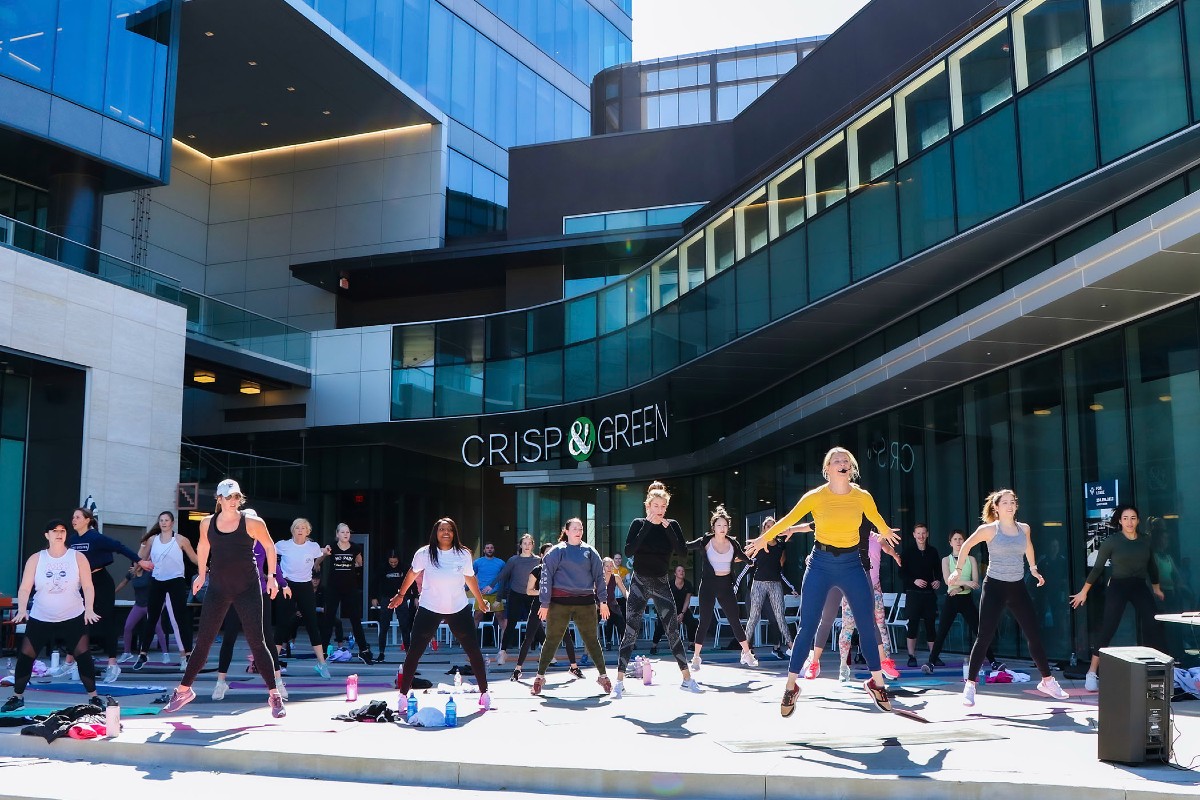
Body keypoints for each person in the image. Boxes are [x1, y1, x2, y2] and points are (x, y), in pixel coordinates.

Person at [745, 447, 901, 716]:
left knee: (866, 624)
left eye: (846, 460)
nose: (842, 463)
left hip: (852, 564)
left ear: (851, 468)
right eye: (836, 460)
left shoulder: (862, 497)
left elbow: (876, 518)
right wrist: (762, 539)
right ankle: (791, 686)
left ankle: (877, 683)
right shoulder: (815, 497)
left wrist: (886, 530)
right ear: (827, 469)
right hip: (820, 564)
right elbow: (788, 520)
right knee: (807, 626)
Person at [162, 480, 285, 717]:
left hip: (247, 588)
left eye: (236, 497)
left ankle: (274, 695)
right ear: (219, 499)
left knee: (257, 642)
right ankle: (184, 691)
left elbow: (270, 547)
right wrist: (201, 574)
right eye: (228, 497)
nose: (233, 501)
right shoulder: (207, 522)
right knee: (204, 642)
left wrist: (271, 577)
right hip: (218, 588)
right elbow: (203, 546)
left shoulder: (252, 522)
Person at [951, 489, 1070, 707]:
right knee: (984, 636)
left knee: (1033, 635)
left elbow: (1028, 546)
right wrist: (958, 571)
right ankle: (970, 685)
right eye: (1005, 502)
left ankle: (1047, 681)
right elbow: (966, 545)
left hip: (1017, 588)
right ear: (996, 507)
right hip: (994, 588)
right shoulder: (989, 529)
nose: (1010, 505)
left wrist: (1033, 569)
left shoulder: (1024, 528)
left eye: (1012, 502)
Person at [388, 518, 492, 711]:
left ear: (454, 533)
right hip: (429, 607)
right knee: (414, 651)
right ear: (435, 533)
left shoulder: (463, 554)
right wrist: (401, 595)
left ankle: (484, 694)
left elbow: (470, 578)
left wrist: (479, 600)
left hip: (458, 607)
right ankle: (402, 696)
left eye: (449, 529)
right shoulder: (424, 553)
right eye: (442, 529)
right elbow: (412, 573)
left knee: (473, 650)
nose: (446, 532)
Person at [2, 520, 105, 713]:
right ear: (47, 535)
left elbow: (88, 585)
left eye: (62, 531)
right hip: (41, 616)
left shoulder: (78, 557)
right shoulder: (36, 559)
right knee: (26, 656)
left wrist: (89, 609)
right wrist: (22, 609)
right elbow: (25, 588)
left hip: (73, 615)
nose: (59, 534)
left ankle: (94, 697)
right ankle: (17, 697)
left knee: (83, 656)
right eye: (55, 531)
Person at [1069, 503, 1166, 692]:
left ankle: (1157, 669)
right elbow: (1097, 568)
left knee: (1153, 622)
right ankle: (1091, 672)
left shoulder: (1145, 540)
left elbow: (1151, 566)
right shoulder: (1112, 541)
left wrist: (1156, 588)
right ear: (1120, 521)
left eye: (1133, 518)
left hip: (1139, 585)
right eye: (1125, 518)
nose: (1129, 522)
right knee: (1109, 627)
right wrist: (1084, 591)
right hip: (1118, 586)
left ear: (1138, 521)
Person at [615, 481, 699, 698]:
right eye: (656, 506)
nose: (660, 510)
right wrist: (647, 527)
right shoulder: (638, 523)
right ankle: (619, 682)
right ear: (648, 506)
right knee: (630, 630)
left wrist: (668, 529)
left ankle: (687, 679)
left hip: (661, 582)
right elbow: (629, 550)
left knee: (672, 630)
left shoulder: (672, 525)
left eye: (663, 506)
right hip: (639, 581)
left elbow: (682, 553)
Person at [63, 506, 154, 684]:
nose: (74, 520)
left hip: (101, 582)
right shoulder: (72, 540)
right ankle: (70, 661)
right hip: (82, 583)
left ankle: (112, 664)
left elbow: (119, 547)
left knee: (106, 622)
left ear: (87, 520)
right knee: (76, 620)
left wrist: (140, 561)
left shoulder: (96, 537)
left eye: (78, 517)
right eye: (73, 517)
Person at [805, 526, 901, 682]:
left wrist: (896, 555)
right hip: (845, 583)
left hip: (870, 585)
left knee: (876, 624)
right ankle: (832, 664)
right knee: (840, 624)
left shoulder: (876, 538)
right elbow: (816, 532)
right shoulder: (846, 536)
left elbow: (888, 548)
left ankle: (884, 661)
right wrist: (791, 531)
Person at [212, 510, 289, 701]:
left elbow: (274, 565)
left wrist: (282, 583)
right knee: (229, 636)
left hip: (258, 593)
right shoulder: (232, 542)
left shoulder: (262, 543)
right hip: (234, 594)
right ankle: (220, 682)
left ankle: (278, 682)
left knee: (266, 638)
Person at [531, 519, 612, 695]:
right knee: (552, 639)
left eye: (580, 528)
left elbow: (599, 577)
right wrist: (544, 603)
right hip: (559, 602)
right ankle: (539, 677)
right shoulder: (557, 551)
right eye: (574, 528)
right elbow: (546, 576)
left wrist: (603, 601)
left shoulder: (590, 551)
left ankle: (603, 676)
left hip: (586, 602)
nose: (578, 531)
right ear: (566, 531)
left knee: (592, 640)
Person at [688, 505, 758, 672]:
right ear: (713, 527)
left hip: (725, 585)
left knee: (734, 620)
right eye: (719, 525)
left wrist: (750, 561)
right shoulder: (706, 541)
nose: (722, 528)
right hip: (708, 585)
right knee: (704, 621)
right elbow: (687, 546)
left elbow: (741, 555)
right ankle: (696, 657)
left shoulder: (732, 543)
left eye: (725, 525)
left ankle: (747, 653)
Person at [134, 510, 198, 671]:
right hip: (157, 581)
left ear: (172, 523)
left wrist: (207, 567)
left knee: (180, 619)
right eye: (161, 520)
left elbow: (194, 558)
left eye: (166, 520)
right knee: (152, 618)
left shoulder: (180, 539)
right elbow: (140, 559)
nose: (163, 522)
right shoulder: (152, 540)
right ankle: (143, 653)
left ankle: (188, 654)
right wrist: (143, 545)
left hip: (176, 581)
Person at [926, 529, 996, 674]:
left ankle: (993, 661)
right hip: (951, 599)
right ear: (950, 542)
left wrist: (960, 587)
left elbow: (975, 582)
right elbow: (948, 581)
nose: (958, 542)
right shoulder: (946, 560)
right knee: (942, 632)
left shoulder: (971, 559)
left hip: (966, 599)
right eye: (955, 539)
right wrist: (965, 582)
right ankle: (931, 662)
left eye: (960, 539)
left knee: (979, 631)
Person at [510, 542, 581, 681]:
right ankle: (517, 669)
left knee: (566, 636)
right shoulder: (537, 570)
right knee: (529, 636)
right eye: (547, 553)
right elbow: (529, 591)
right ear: (542, 555)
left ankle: (574, 667)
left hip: (556, 605)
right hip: (539, 604)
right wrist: (544, 592)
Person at [274, 517, 332, 678]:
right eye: (297, 527)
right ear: (292, 530)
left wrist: (326, 551)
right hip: (287, 586)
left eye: (303, 528)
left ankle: (322, 664)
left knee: (312, 624)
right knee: (282, 624)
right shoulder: (283, 545)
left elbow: (321, 552)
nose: (300, 530)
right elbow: (268, 551)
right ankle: (273, 663)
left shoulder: (312, 546)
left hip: (305, 586)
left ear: (308, 531)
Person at [740, 516, 801, 661]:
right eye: (767, 526)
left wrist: (790, 588)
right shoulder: (759, 543)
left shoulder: (780, 546)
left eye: (773, 526)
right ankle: (745, 651)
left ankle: (791, 647)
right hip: (758, 583)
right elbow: (744, 559)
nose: (770, 528)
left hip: (775, 583)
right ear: (764, 528)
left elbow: (779, 569)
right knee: (753, 617)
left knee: (780, 616)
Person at [323, 523, 373, 664]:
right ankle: (323, 650)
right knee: (329, 618)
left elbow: (360, 562)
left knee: (355, 619)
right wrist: (316, 564)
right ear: (337, 534)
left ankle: (363, 650)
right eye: (343, 532)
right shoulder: (332, 546)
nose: (345, 534)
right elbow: (321, 557)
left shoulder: (355, 547)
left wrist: (355, 564)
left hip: (350, 588)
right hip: (333, 587)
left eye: (347, 532)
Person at [900, 523, 940, 667]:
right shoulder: (908, 552)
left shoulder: (933, 551)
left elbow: (938, 570)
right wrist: (914, 580)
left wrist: (938, 581)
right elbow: (901, 573)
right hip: (913, 594)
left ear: (927, 534)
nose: (921, 536)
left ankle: (933, 656)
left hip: (929, 594)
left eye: (923, 533)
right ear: (914, 535)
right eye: (918, 533)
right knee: (913, 625)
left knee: (930, 625)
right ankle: (911, 656)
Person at [494, 534, 539, 665]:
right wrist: (498, 597)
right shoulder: (514, 560)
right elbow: (503, 577)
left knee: (536, 623)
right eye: (524, 543)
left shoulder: (538, 560)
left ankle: (548, 652)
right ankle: (502, 652)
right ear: (520, 545)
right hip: (515, 594)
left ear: (533, 545)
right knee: (511, 623)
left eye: (529, 543)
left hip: (531, 595)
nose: (527, 546)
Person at [115, 564, 168, 665]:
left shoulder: (149, 573)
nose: (138, 564)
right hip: (138, 605)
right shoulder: (131, 573)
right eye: (136, 562)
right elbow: (123, 583)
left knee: (157, 627)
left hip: (151, 605)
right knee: (127, 627)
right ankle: (127, 652)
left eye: (139, 562)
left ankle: (165, 654)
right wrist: (113, 592)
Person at [370, 551, 406, 663]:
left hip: (400, 597)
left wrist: (414, 596)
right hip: (386, 597)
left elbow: (411, 581)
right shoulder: (383, 568)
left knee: (405, 626)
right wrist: (374, 597)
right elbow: (374, 582)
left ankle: (409, 654)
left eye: (395, 562)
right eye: (391, 562)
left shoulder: (403, 567)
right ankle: (381, 653)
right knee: (384, 626)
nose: (393, 564)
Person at [651, 564, 689, 653]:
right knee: (661, 625)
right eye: (679, 571)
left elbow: (687, 600)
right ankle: (654, 646)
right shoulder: (667, 585)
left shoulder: (687, 584)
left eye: (683, 571)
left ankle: (683, 645)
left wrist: (682, 613)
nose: (681, 572)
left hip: (679, 609)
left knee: (689, 622)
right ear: (675, 573)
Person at [474, 542, 507, 638]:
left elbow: (505, 577)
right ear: (484, 550)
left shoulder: (500, 563)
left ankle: (503, 643)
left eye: (491, 548)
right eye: (487, 548)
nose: (489, 549)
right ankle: (471, 642)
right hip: (481, 594)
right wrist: (467, 587)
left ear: (494, 550)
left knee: (500, 616)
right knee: (477, 616)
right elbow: (471, 575)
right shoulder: (477, 562)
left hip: (496, 594)